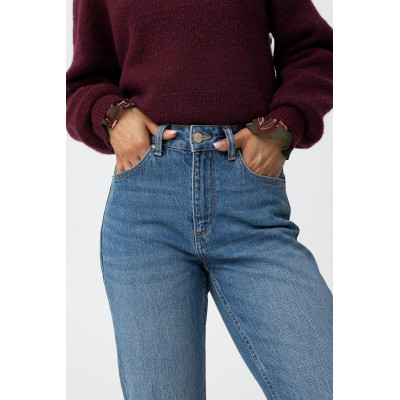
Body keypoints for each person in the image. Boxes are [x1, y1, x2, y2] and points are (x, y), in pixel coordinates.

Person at [66, 0, 333, 398]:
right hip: (145, 215)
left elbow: (315, 50)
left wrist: (283, 126)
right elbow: (84, 81)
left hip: (250, 208)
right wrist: (112, 116)